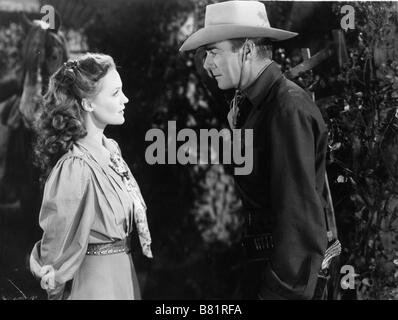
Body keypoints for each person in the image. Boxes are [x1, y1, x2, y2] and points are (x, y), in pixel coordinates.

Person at [180, 1, 329, 299]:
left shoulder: (287, 109)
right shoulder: (253, 106)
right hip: (259, 267)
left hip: (283, 283)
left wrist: (278, 293)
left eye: (213, 52)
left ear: (247, 50)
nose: (207, 64)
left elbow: (298, 217)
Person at [29, 53, 152, 300]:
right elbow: (56, 243)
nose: (125, 99)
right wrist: (53, 278)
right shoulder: (75, 166)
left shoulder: (111, 151)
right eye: (115, 93)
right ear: (87, 103)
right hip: (97, 285)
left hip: (123, 276)